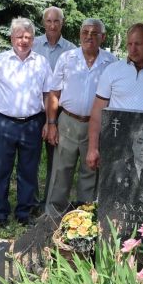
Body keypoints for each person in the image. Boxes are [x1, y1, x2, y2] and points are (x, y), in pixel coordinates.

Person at [0, 18, 51, 227]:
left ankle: (24, 212)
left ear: (33, 39)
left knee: (28, 171)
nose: (24, 40)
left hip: (32, 124)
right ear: (12, 38)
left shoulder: (41, 62)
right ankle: (0, 213)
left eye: (28, 37)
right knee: (2, 169)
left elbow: (48, 95)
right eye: (19, 36)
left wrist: (49, 123)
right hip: (4, 123)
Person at [45, 18, 117, 215]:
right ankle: (52, 217)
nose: (89, 37)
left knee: (90, 172)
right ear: (79, 34)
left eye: (94, 33)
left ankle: (84, 220)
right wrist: (51, 123)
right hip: (67, 121)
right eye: (85, 32)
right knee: (61, 172)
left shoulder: (111, 63)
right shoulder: (67, 58)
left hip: (95, 126)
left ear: (103, 37)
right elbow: (54, 93)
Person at [86, 23, 143, 171]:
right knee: (112, 190)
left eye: (138, 44)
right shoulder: (112, 71)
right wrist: (93, 147)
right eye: (129, 44)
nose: (132, 49)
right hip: (115, 143)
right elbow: (97, 113)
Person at [33, 6, 76, 207]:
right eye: (48, 21)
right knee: (30, 157)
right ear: (43, 23)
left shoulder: (71, 50)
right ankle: (31, 199)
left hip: (58, 110)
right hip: (34, 108)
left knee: (55, 158)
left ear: (62, 23)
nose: (52, 25)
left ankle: (49, 201)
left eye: (56, 21)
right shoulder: (33, 45)